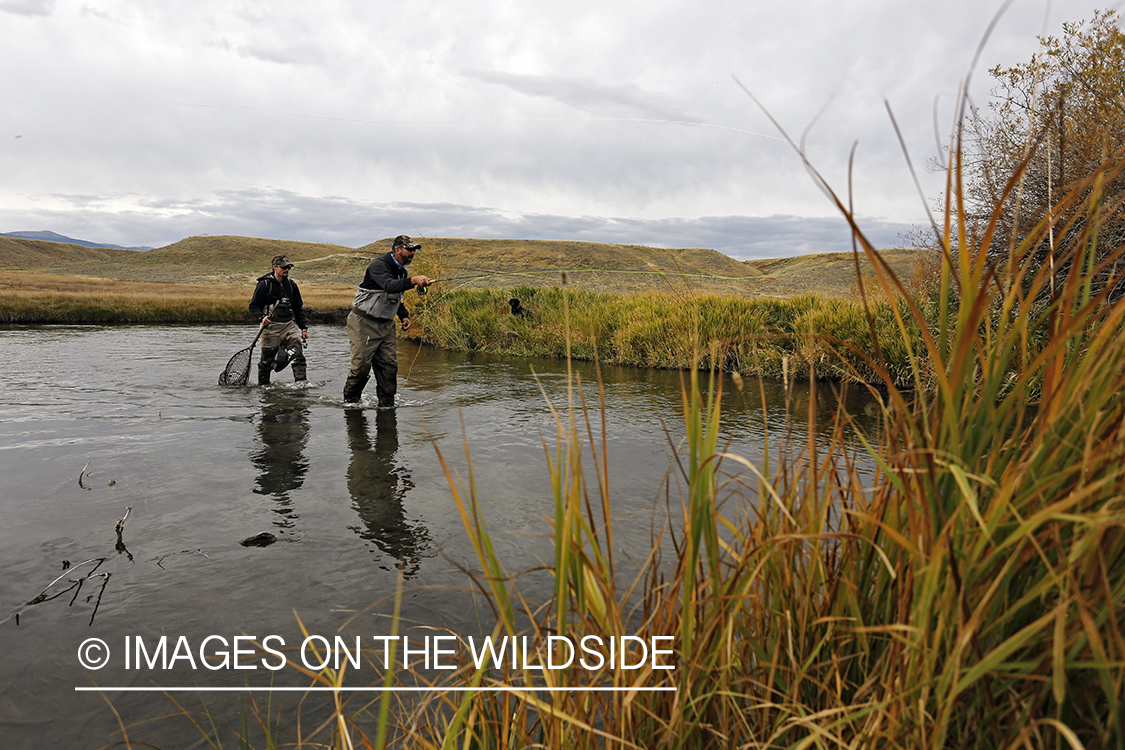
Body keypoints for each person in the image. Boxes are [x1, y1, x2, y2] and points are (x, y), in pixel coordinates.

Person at [343, 235, 433, 405]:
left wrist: (404, 315)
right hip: (364, 322)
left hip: (386, 325)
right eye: (410, 249)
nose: (413, 253)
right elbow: (388, 285)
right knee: (361, 367)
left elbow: (396, 296)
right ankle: (350, 403)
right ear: (397, 250)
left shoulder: (402, 271)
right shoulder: (379, 265)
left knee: (389, 367)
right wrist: (413, 281)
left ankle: (386, 406)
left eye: (414, 250)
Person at [249, 254, 309, 385]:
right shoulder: (264, 284)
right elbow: (253, 306)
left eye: (288, 267)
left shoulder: (292, 285)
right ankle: (264, 388)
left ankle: (301, 385)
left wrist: (303, 328)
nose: (286, 270)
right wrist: (261, 318)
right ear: (275, 267)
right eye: (283, 267)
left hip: (289, 326)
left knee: (298, 355)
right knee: (266, 362)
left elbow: (298, 308)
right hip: (270, 328)